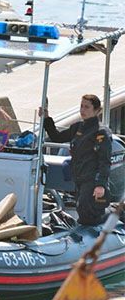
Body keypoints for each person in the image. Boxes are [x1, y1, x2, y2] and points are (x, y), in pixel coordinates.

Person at [40, 94, 112, 226]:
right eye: (81, 106)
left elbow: (104, 160)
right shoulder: (77, 127)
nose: (83, 110)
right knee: (82, 210)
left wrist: (100, 184)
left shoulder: (101, 132)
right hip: (78, 177)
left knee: (85, 210)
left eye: (87, 107)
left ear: (97, 110)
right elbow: (57, 137)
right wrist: (46, 118)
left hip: (92, 179)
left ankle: (113, 214)